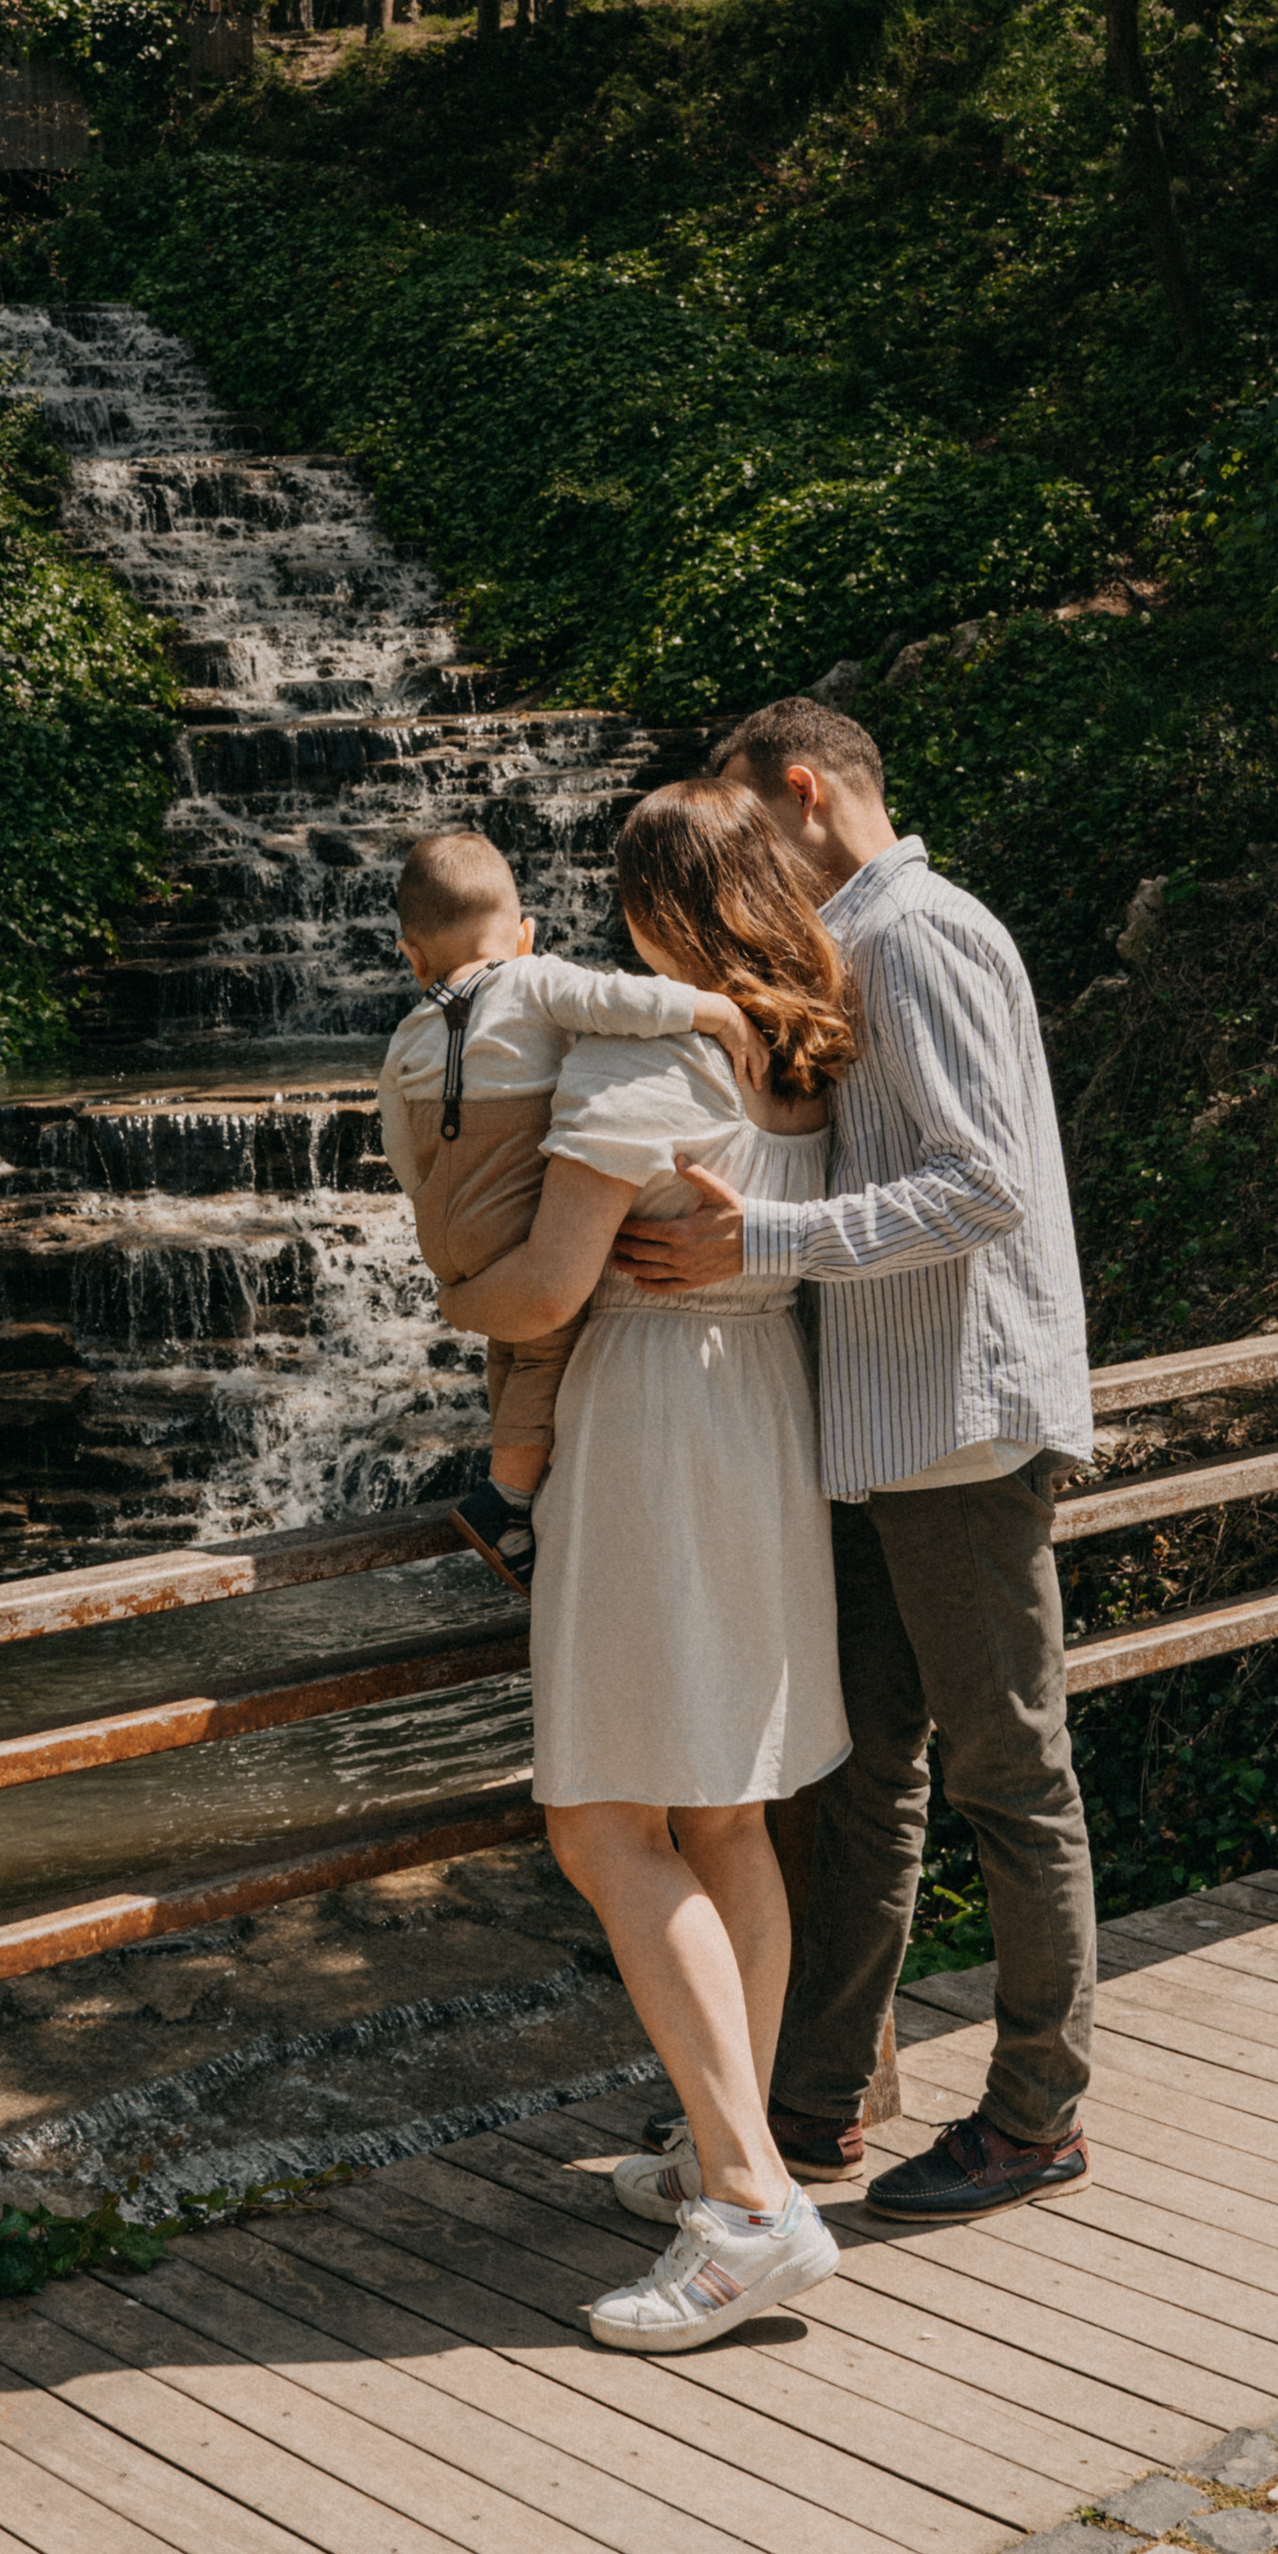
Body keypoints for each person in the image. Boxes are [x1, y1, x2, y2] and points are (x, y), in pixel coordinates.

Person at [612, 694, 1098, 2229]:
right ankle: (812, 2111)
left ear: (805, 791)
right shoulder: (853, 948)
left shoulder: (920, 936)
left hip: (961, 1418)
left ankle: (1037, 2116)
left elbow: (983, 1186)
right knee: (864, 1779)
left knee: (1010, 1775)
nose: (738, 857)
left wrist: (763, 1239)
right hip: (884, 1430)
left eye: (747, 820)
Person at [436, 780, 855, 2352]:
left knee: (607, 1821)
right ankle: (718, 2144)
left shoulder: (644, 1050)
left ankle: (749, 2207)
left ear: (653, 913)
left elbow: (548, 1291)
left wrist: (458, 1289)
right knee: (724, 1812)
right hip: (761, 1414)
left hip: (652, 1423)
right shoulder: (804, 1051)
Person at [380, 825, 769, 1593]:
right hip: (508, 1212)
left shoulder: (410, 1031)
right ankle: (507, 1499)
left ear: (413, 956)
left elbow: (397, 1139)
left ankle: (511, 1470)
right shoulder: (534, 981)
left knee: (510, 1341)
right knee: (545, 1341)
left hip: (444, 1221)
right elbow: (622, 1000)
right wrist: (719, 1014)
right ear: (524, 935)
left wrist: (429, 1201)